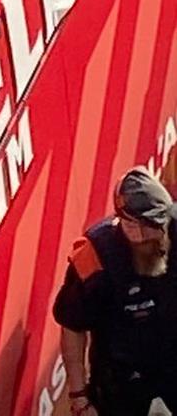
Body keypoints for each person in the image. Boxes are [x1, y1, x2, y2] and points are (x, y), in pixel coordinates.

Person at [54, 168, 177, 416]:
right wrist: (79, 399)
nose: (143, 237)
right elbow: (72, 327)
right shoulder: (95, 258)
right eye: (134, 227)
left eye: (156, 224)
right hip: (121, 379)